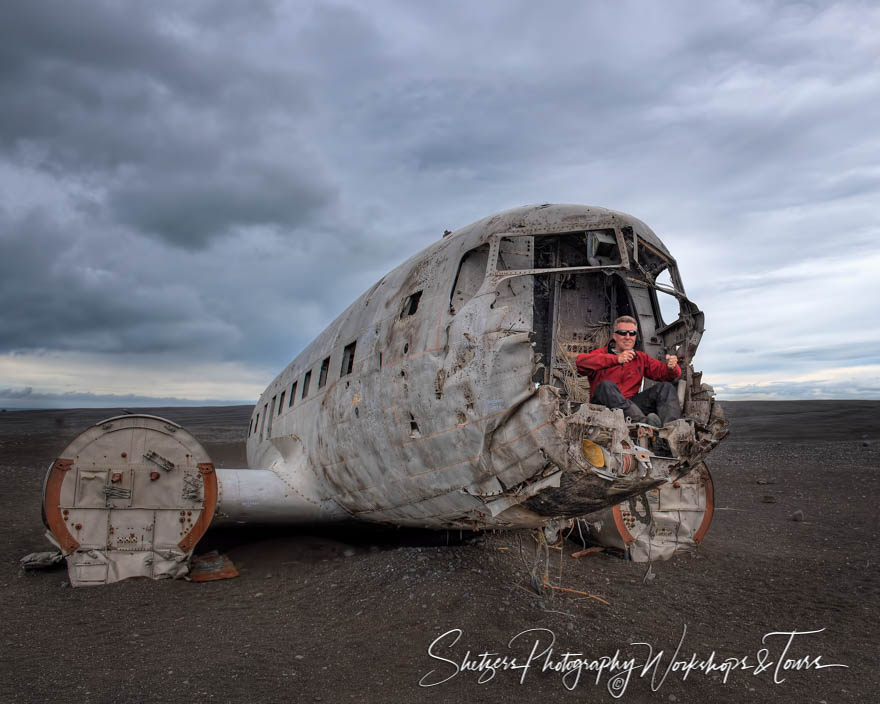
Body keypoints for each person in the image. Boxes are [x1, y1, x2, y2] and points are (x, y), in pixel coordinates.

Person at [569, 316, 682, 426]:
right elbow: (581, 363)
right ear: (615, 336)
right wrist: (616, 359)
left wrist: (672, 367)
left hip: (630, 406)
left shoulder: (640, 358)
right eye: (623, 333)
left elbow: (664, 374)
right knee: (606, 386)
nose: (628, 337)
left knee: (665, 388)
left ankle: (670, 432)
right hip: (604, 407)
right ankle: (644, 426)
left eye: (632, 333)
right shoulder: (601, 354)